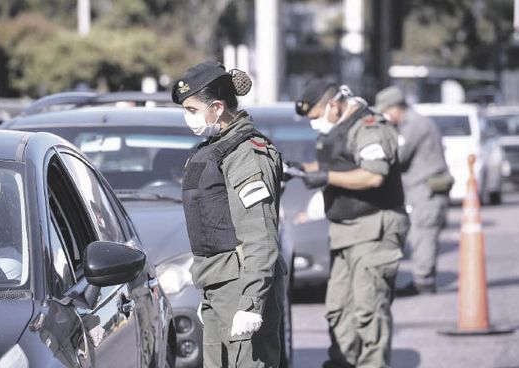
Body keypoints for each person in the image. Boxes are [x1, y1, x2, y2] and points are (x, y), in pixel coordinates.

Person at [172, 61, 285, 368]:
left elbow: (261, 236)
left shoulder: (246, 153)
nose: (188, 118)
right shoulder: (215, 148)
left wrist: (250, 304)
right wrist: (212, 295)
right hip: (219, 287)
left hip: (242, 287)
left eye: (192, 110)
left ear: (218, 107)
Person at [292, 79, 409, 368]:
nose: (314, 125)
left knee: (368, 310)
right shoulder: (337, 129)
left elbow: (373, 175)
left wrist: (326, 178)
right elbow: (339, 164)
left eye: (316, 117)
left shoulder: (369, 127)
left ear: (333, 105)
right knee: (339, 311)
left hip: (373, 229)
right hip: (344, 232)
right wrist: (295, 169)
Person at [374, 86, 452, 295]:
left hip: (426, 191)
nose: (385, 117)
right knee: (420, 236)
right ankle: (423, 278)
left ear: (395, 108)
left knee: (422, 236)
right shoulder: (412, 123)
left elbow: (398, 154)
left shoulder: (415, 124)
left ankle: (423, 281)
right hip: (420, 190)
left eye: (385, 112)